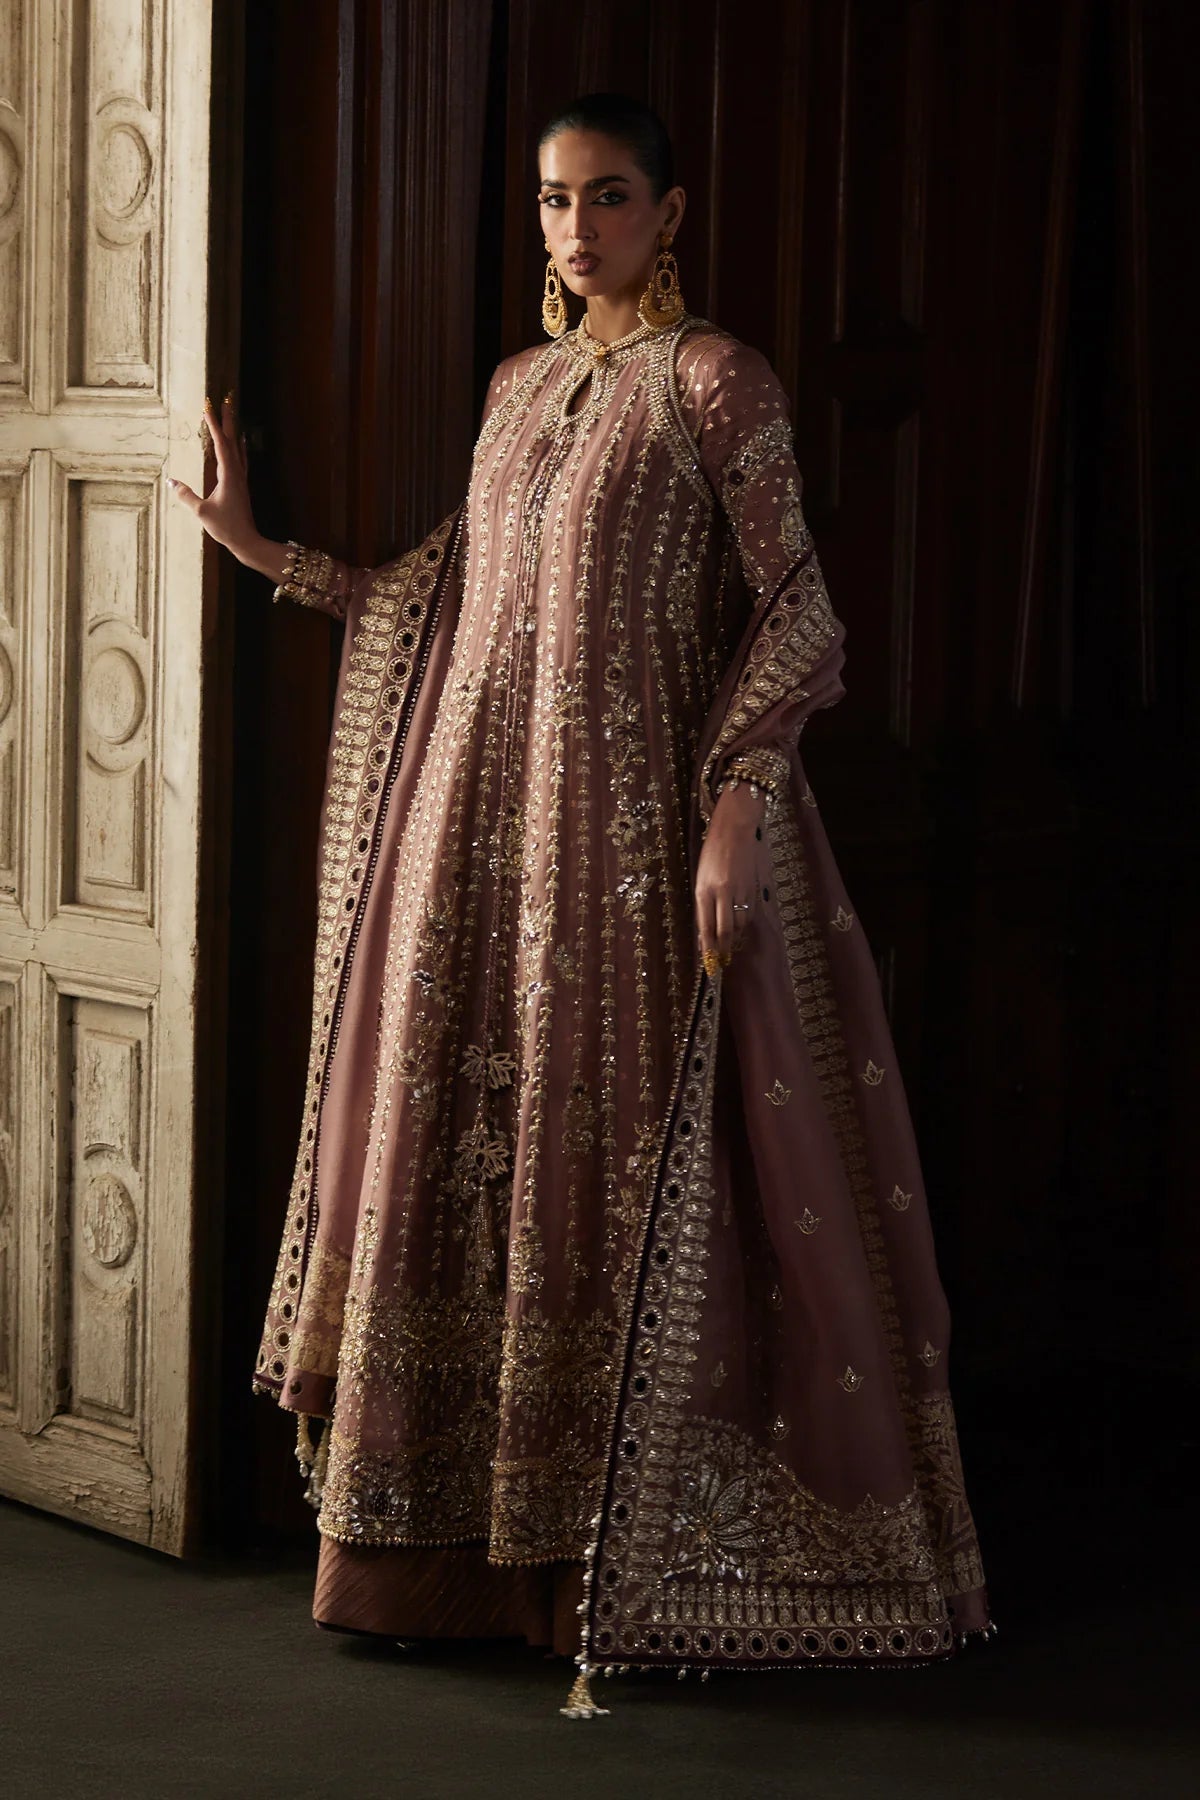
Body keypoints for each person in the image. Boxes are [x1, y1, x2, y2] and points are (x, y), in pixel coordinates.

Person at [172, 92, 992, 1716]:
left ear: (667, 213)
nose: (575, 229)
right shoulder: (518, 388)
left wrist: (738, 801)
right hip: (479, 842)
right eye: (554, 202)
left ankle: (601, 1567)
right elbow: (447, 599)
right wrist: (268, 553)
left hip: (623, 850)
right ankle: (438, 1561)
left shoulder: (715, 380)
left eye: (608, 198)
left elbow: (799, 604)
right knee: (459, 1159)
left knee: (606, 1156)